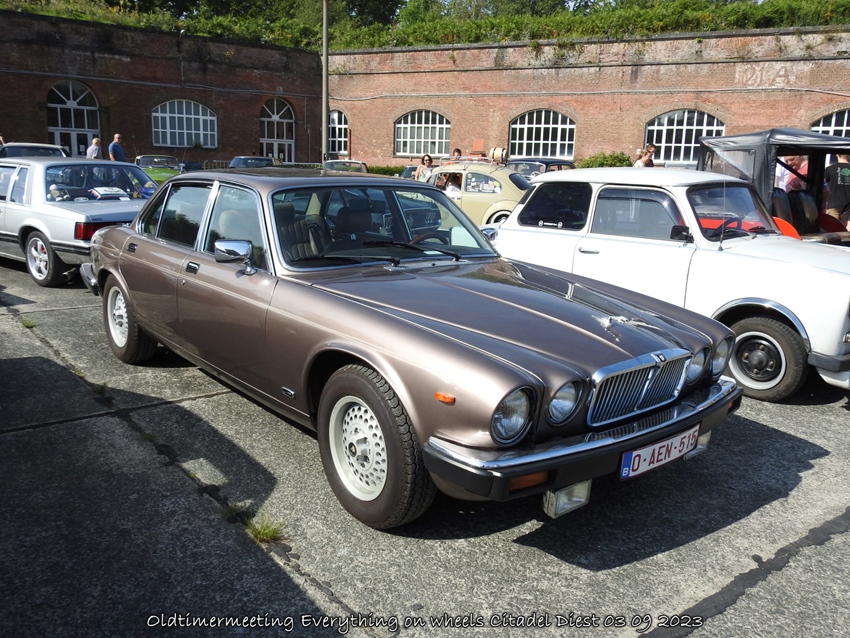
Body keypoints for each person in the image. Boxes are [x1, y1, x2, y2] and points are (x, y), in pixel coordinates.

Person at [824, 154, 850, 228]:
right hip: (848, 207)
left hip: (832, 205)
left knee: (832, 230)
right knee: (845, 232)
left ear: (837, 155)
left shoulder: (829, 169)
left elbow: (823, 185)